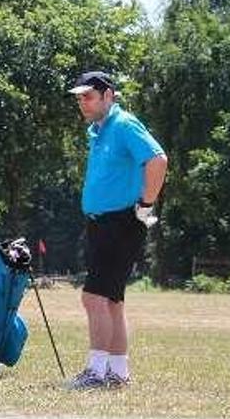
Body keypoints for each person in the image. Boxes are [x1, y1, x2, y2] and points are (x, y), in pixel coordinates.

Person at [67, 71, 167, 389]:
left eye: (89, 96)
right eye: (80, 97)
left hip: (120, 222)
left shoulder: (123, 124)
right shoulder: (97, 130)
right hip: (101, 223)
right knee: (111, 301)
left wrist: (146, 203)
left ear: (108, 96)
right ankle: (118, 373)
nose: (82, 102)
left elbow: (157, 160)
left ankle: (96, 373)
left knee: (93, 297)